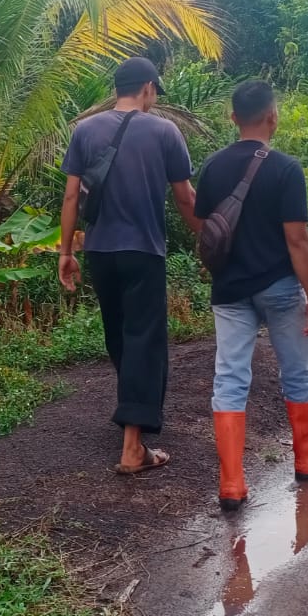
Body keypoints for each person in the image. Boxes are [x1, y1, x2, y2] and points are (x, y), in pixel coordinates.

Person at [194, 80, 308, 511]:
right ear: (273, 117)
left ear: (232, 118)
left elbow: (206, 230)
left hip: (230, 290)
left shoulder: (213, 167)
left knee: (230, 378)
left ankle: (232, 482)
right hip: (279, 286)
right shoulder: (285, 168)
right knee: (296, 371)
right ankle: (306, 456)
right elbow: (298, 240)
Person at [59, 57, 200, 474]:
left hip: (100, 252)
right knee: (144, 339)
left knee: (120, 335)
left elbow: (71, 198)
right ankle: (133, 445)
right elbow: (186, 198)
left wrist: (66, 253)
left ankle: (132, 415)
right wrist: (208, 240)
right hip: (143, 251)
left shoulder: (85, 130)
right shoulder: (164, 131)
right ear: (148, 88)